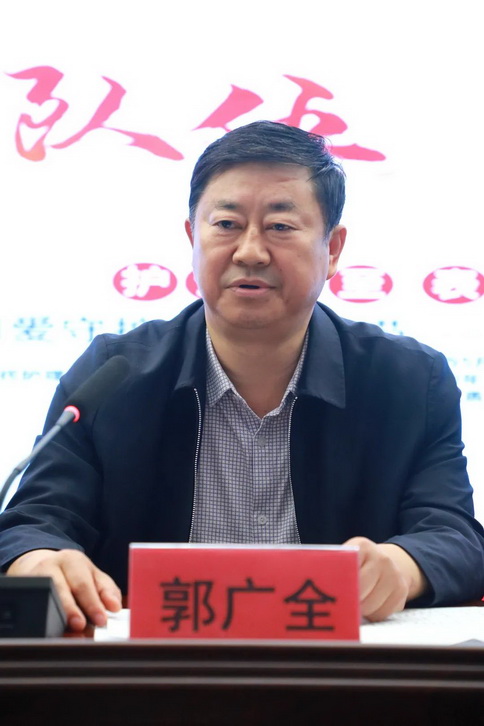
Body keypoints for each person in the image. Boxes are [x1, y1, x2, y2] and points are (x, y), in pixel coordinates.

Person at [1, 121, 483, 632]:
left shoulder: (409, 382)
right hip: (150, 669)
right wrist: (40, 559)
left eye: (281, 227)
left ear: (333, 249)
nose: (250, 251)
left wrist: (401, 567)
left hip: (341, 670)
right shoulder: (112, 376)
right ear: (192, 237)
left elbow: (454, 535)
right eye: (227, 224)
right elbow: (34, 520)